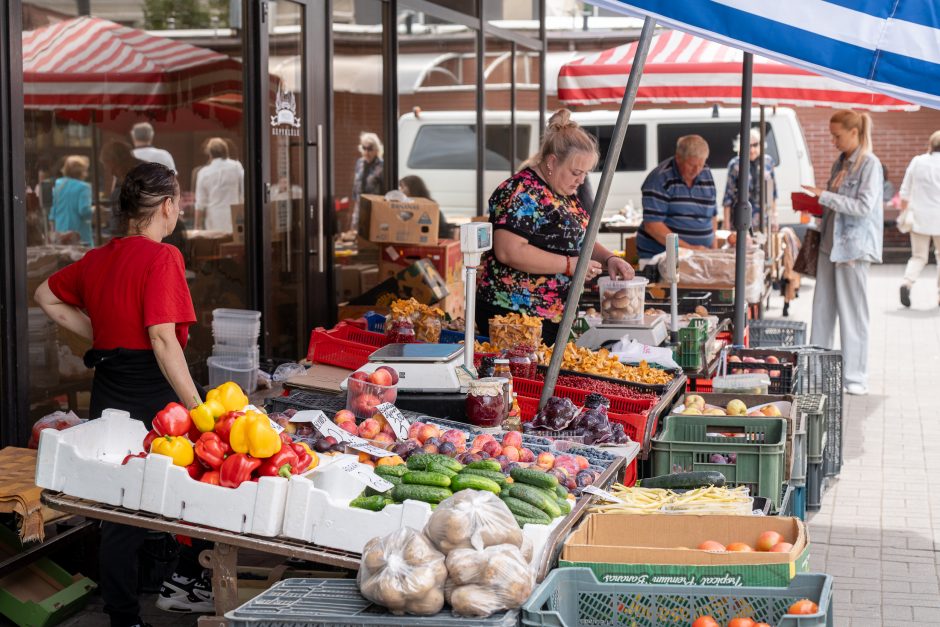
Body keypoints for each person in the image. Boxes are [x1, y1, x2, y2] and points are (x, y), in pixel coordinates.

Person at [34, 162, 212, 625]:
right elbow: (162, 338)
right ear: (169, 206)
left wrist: (96, 332)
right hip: (155, 394)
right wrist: (200, 408)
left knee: (118, 506)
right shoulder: (163, 257)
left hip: (108, 391)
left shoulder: (98, 258)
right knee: (196, 486)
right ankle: (184, 582)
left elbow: (44, 296)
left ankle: (123, 615)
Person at [475, 109, 634, 344]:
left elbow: (580, 239)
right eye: (576, 172)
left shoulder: (562, 192)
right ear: (552, 162)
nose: (581, 180)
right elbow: (509, 250)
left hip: (552, 314)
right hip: (514, 316)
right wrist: (570, 265)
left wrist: (609, 258)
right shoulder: (522, 192)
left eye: (585, 174)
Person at [802, 109, 883, 396]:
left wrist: (822, 196)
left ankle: (855, 377)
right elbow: (835, 205)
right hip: (829, 246)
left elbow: (863, 206)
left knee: (853, 314)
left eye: (837, 136)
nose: (833, 141)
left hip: (853, 250)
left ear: (854, 133)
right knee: (822, 310)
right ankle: (814, 373)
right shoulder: (841, 162)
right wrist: (812, 204)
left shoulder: (869, 164)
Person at [636, 135, 717, 263]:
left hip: (699, 256)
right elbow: (653, 226)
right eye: (692, 165)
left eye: (701, 164)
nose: (697, 170)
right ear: (678, 158)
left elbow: (712, 215)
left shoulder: (705, 172)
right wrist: (690, 249)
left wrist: (713, 252)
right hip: (661, 258)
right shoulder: (659, 178)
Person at [898, 130, 940, 308]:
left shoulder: (918, 161)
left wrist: (903, 211)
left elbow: (905, 191)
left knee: (918, 256)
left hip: (919, 217)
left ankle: (907, 283)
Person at [722, 128, 778, 230]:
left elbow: (772, 193)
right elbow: (727, 198)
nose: (752, 150)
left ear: (761, 145)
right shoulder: (735, 164)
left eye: (755, 145)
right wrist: (726, 225)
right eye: (748, 145)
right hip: (741, 220)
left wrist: (774, 216)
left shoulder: (768, 162)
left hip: (763, 221)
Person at [195, 137, 244, 232]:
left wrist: (197, 226)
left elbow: (200, 203)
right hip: (235, 217)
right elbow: (244, 193)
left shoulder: (203, 173)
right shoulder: (237, 167)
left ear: (209, 153)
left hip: (213, 219)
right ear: (226, 151)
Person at [99, 140, 145, 238]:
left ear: (121, 161)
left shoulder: (144, 176)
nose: (111, 172)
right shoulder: (124, 178)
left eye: (113, 167)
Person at [49, 155, 94, 246]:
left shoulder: (58, 185)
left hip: (61, 235)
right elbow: (84, 211)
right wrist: (96, 210)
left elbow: (52, 214)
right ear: (82, 171)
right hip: (79, 237)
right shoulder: (83, 187)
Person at [348, 132, 384, 232]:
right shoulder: (359, 163)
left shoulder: (382, 166)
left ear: (376, 149)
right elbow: (356, 187)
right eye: (364, 148)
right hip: (359, 205)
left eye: (370, 149)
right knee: (355, 232)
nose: (367, 152)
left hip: (375, 206)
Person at [399, 174, 453, 239]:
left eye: (402, 187)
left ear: (412, 189)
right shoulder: (405, 205)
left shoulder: (429, 207)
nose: (400, 191)